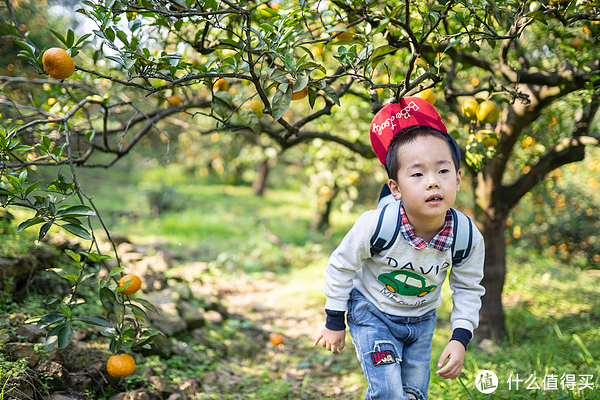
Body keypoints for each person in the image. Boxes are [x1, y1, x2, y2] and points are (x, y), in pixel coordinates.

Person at [313, 97, 486, 400]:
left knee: (414, 394)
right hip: (371, 312)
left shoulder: (466, 236)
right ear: (395, 188)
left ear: (458, 179)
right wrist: (334, 320)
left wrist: (460, 338)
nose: (433, 182)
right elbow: (341, 265)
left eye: (443, 171)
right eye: (417, 174)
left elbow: (469, 288)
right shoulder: (376, 225)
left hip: (422, 321)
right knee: (389, 393)